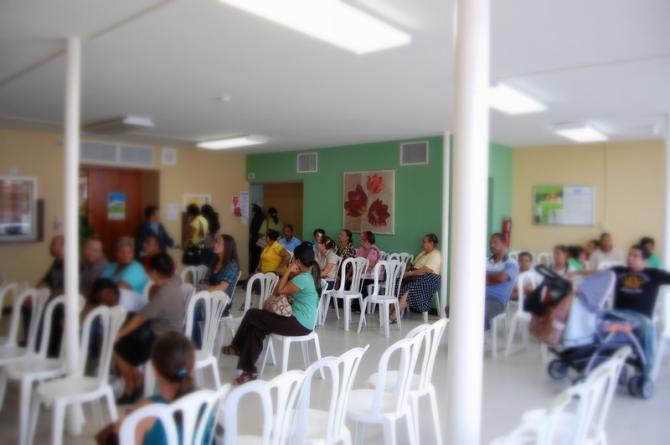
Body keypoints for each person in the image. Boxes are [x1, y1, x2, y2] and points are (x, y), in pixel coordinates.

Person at [222, 242, 321, 384]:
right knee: (256, 327)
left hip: (298, 323)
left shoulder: (302, 278)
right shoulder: (310, 275)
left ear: (297, 261)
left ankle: (237, 347)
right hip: (302, 322)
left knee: (251, 314)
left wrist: (288, 270)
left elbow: (278, 291)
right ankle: (249, 370)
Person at [108, 332, 209, 445]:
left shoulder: (146, 409)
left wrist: (125, 427)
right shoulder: (206, 397)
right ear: (192, 365)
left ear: (154, 370)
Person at [113, 253, 185, 404]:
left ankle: (131, 387)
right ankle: (136, 379)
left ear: (154, 272)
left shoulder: (164, 295)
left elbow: (141, 317)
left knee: (117, 347)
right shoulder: (175, 280)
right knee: (128, 340)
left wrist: (119, 334)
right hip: (174, 332)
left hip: (162, 340)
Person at [607, 245, 670, 379]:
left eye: (635, 256)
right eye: (629, 254)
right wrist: (574, 274)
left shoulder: (654, 274)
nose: (630, 258)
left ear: (645, 260)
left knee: (647, 329)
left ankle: (645, 370)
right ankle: (611, 366)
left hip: (639, 318)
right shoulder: (618, 271)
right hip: (617, 314)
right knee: (598, 322)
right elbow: (596, 274)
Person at [392, 234, 442, 320]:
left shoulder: (436, 254)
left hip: (430, 278)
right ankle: (392, 310)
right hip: (416, 275)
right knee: (397, 283)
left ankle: (393, 316)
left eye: (424, 242)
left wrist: (409, 274)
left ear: (431, 243)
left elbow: (427, 270)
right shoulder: (423, 253)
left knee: (410, 288)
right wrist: (406, 272)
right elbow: (413, 264)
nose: (422, 244)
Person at [485, 233, 519, 330]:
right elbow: (474, 277)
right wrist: (494, 279)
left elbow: (502, 278)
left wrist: (485, 278)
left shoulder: (511, 263)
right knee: (452, 308)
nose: (491, 245)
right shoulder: (485, 261)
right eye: (490, 243)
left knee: (478, 313)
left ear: (504, 244)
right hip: (478, 296)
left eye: (495, 242)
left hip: (497, 301)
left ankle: (477, 340)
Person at [357, 230, 381, 298]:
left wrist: (358, 274)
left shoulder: (374, 251)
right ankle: (354, 303)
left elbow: (370, 266)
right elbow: (356, 262)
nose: (359, 240)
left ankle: (363, 304)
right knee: (350, 280)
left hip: (372, 276)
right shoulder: (361, 250)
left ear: (366, 241)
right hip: (362, 273)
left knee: (360, 282)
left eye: (361, 239)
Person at [248, 204, 266, 275]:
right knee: (256, 256)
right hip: (259, 239)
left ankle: (254, 272)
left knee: (255, 257)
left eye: (254, 207)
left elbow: (252, 229)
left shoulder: (258, 216)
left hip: (257, 239)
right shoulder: (262, 216)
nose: (252, 208)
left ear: (258, 207)